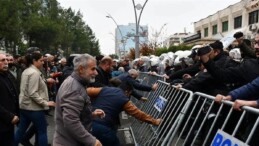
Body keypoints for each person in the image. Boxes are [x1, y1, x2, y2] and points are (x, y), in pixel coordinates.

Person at [87, 79, 162, 146]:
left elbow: (87, 91)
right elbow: (138, 114)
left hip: (88, 123)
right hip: (103, 127)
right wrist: (154, 121)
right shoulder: (123, 98)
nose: (128, 97)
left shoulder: (105, 89)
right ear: (126, 91)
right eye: (129, 94)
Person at [53, 54, 104, 146]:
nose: (96, 73)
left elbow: (74, 114)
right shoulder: (74, 88)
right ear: (81, 69)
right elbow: (71, 121)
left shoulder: (77, 83)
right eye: (93, 69)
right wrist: (92, 141)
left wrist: (91, 114)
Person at [14, 52, 56, 146]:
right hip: (34, 108)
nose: (42, 62)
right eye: (40, 60)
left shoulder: (26, 71)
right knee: (42, 131)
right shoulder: (34, 73)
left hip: (24, 107)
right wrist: (46, 103)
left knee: (20, 131)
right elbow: (32, 93)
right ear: (34, 61)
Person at [0, 53, 20, 146]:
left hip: (9, 123)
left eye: (7, 60)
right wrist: (10, 116)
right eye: (3, 60)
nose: (6, 62)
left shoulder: (6, 75)